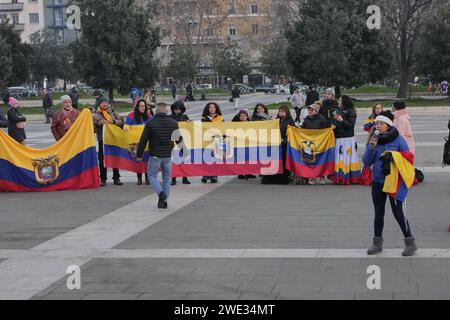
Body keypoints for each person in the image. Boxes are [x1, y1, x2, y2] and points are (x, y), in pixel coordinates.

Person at [363, 111, 418, 257]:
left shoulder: (398, 139)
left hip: (394, 181)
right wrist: (371, 147)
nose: (378, 126)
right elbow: (366, 161)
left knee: (398, 212)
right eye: (376, 123)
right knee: (378, 212)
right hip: (378, 181)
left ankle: (410, 243)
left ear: (388, 125)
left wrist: (393, 157)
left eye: (381, 123)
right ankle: (377, 243)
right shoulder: (374, 139)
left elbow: (408, 158)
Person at [136, 103, 181, 209]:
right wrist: (184, 151)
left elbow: (143, 140)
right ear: (166, 111)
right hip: (167, 155)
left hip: (155, 155)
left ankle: (161, 193)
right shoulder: (173, 123)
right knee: (166, 178)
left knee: (152, 175)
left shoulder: (150, 123)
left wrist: (139, 154)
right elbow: (179, 139)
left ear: (156, 111)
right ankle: (164, 202)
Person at [93, 97, 124, 186]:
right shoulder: (95, 116)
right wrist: (99, 124)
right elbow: (93, 129)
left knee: (115, 158)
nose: (105, 104)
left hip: (114, 140)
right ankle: (103, 179)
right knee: (102, 160)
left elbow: (122, 122)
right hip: (102, 140)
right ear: (99, 104)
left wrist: (114, 121)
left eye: (106, 102)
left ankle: (116, 178)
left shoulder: (113, 113)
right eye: (103, 103)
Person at [261, 106, 295, 185]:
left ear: (286, 112)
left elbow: (293, 132)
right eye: (280, 111)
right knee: (274, 162)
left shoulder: (290, 121)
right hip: (275, 145)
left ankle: (284, 178)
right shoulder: (276, 121)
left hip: (284, 145)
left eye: (283, 111)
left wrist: (285, 140)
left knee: (283, 162)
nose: (281, 113)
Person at [332, 95, 360, 185]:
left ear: (344, 102)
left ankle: (349, 176)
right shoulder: (339, 110)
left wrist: (341, 120)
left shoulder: (351, 111)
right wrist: (334, 125)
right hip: (339, 137)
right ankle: (339, 176)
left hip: (347, 138)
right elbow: (337, 122)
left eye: (340, 100)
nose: (338, 102)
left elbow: (350, 125)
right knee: (340, 157)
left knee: (346, 157)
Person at [299, 102, 330, 185]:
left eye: (312, 110)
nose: (310, 111)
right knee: (311, 160)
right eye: (309, 109)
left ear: (316, 111)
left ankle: (322, 177)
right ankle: (312, 177)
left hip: (320, 143)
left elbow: (326, 130)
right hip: (310, 143)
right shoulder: (306, 119)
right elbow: (303, 130)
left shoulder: (321, 119)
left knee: (320, 160)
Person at [124, 99, 152, 186]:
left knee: (147, 161)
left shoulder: (149, 116)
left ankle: (147, 178)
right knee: (138, 160)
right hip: (136, 143)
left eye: (144, 106)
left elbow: (154, 123)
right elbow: (126, 125)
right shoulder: (131, 116)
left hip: (147, 143)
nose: (143, 108)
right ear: (137, 107)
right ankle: (139, 178)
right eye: (141, 106)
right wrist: (126, 127)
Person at [201, 102, 224, 184]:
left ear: (216, 109)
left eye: (213, 107)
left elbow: (223, 129)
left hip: (217, 141)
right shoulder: (203, 119)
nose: (212, 109)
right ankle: (205, 175)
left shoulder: (220, 119)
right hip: (207, 141)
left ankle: (214, 175)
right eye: (210, 107)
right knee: (206, 158)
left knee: (215, 159)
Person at [170, 100, 191, 186]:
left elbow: (191, 127)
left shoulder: (185, 117)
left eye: (179, 109)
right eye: (175, 108)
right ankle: (173, 178)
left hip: (183, 141)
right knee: (174, 160)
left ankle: (184, 177)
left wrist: (189, 123)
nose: (177, 110)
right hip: (173, 141)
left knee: (184, 160)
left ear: (182, 109)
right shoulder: (170, 117)